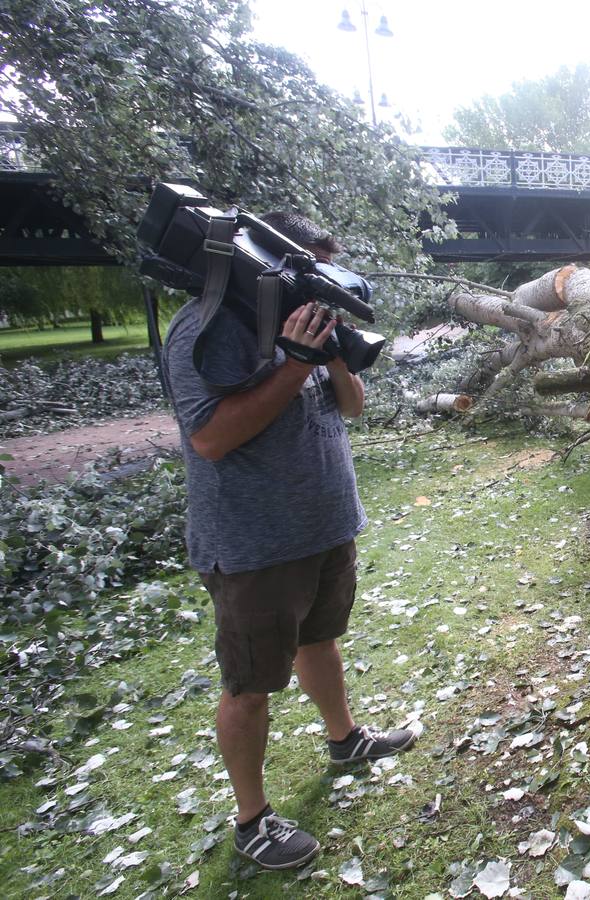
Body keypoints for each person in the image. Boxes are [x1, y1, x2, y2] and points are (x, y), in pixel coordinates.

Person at [162, 211, 414, 871]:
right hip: (254, 548)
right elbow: (211, 438)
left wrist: (329, 353)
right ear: (273, 267)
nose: (323, 287)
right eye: (313, 273)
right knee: (249, 684)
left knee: (320, 642)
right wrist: (295, 364)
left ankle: (345, 739)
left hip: (325, 529)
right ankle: (252, 820)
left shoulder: (309, 323)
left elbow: (352, 407)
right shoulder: (207, 327)